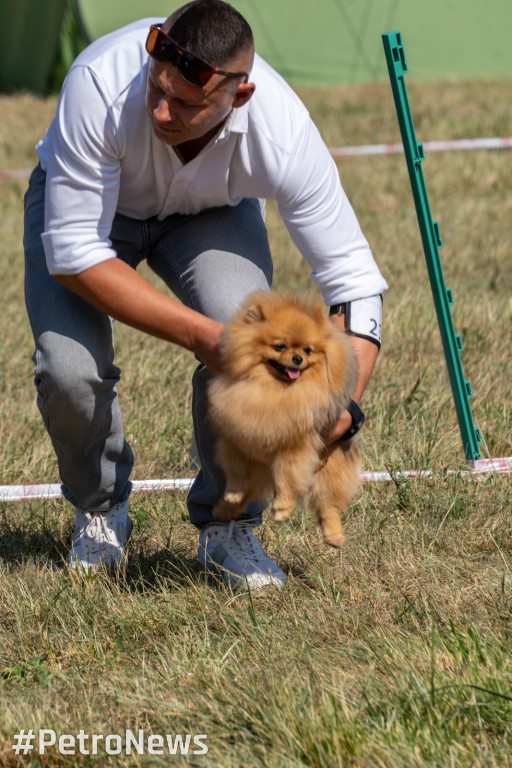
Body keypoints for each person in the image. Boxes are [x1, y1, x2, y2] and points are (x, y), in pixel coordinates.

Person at [24, 0, 388, 588]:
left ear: (237, 97)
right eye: (156, 88)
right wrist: (206, 339)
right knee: (68, 372)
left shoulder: (283, 130)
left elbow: (354, 281)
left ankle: (229, 528)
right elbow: (74, 258)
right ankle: (99, 507)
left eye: (187, 103)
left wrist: (340, 402)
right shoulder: (98, 81)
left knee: (258, 354)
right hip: (91, 218)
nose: (161, 110)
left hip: (212, 216)